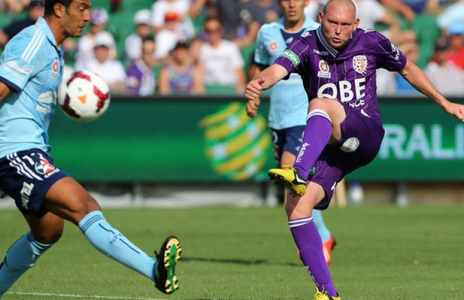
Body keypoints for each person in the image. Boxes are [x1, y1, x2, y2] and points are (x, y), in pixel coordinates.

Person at [244, 0, 464, 299]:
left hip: (367, 133)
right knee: (296, 206)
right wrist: (260, 81)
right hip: (335, 145)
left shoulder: (372, 41)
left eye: (345, 25)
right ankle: (328, 293)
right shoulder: (306, 43)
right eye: (332, 23)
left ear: (356, 24)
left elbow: (408, 69)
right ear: (320, 17)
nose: (338, 30)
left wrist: (444, 102)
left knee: (319, 104)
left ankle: (297, 170)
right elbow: (278, 68)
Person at [0, 1, 182, 299]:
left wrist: (10, 169)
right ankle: (154, 270)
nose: (87, 16)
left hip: (25, 155)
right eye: (81, 7)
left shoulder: (56, 48)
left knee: (48, 232)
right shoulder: (32, 41)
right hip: (18, 154)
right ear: (58, 8)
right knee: (85, 206)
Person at [246, 0, 336, 265]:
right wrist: (254, 94)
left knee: (291, 176)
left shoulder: (318, 31)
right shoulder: (267, 32)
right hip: (278, 118)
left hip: (305, 116)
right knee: (293, 186)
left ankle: (316, 244)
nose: (292, 4)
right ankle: (323, 235)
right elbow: (259, 64)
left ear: (306, 2)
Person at [199, 16, 246, 93]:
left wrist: (240, 91)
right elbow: (198, 73)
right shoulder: (202, 49)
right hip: (209, 89)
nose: (211, 34)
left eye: (214, 30)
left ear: (221, 31)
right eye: (208, 31)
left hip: (229, 88)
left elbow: (238, 70)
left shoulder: (231, 47)